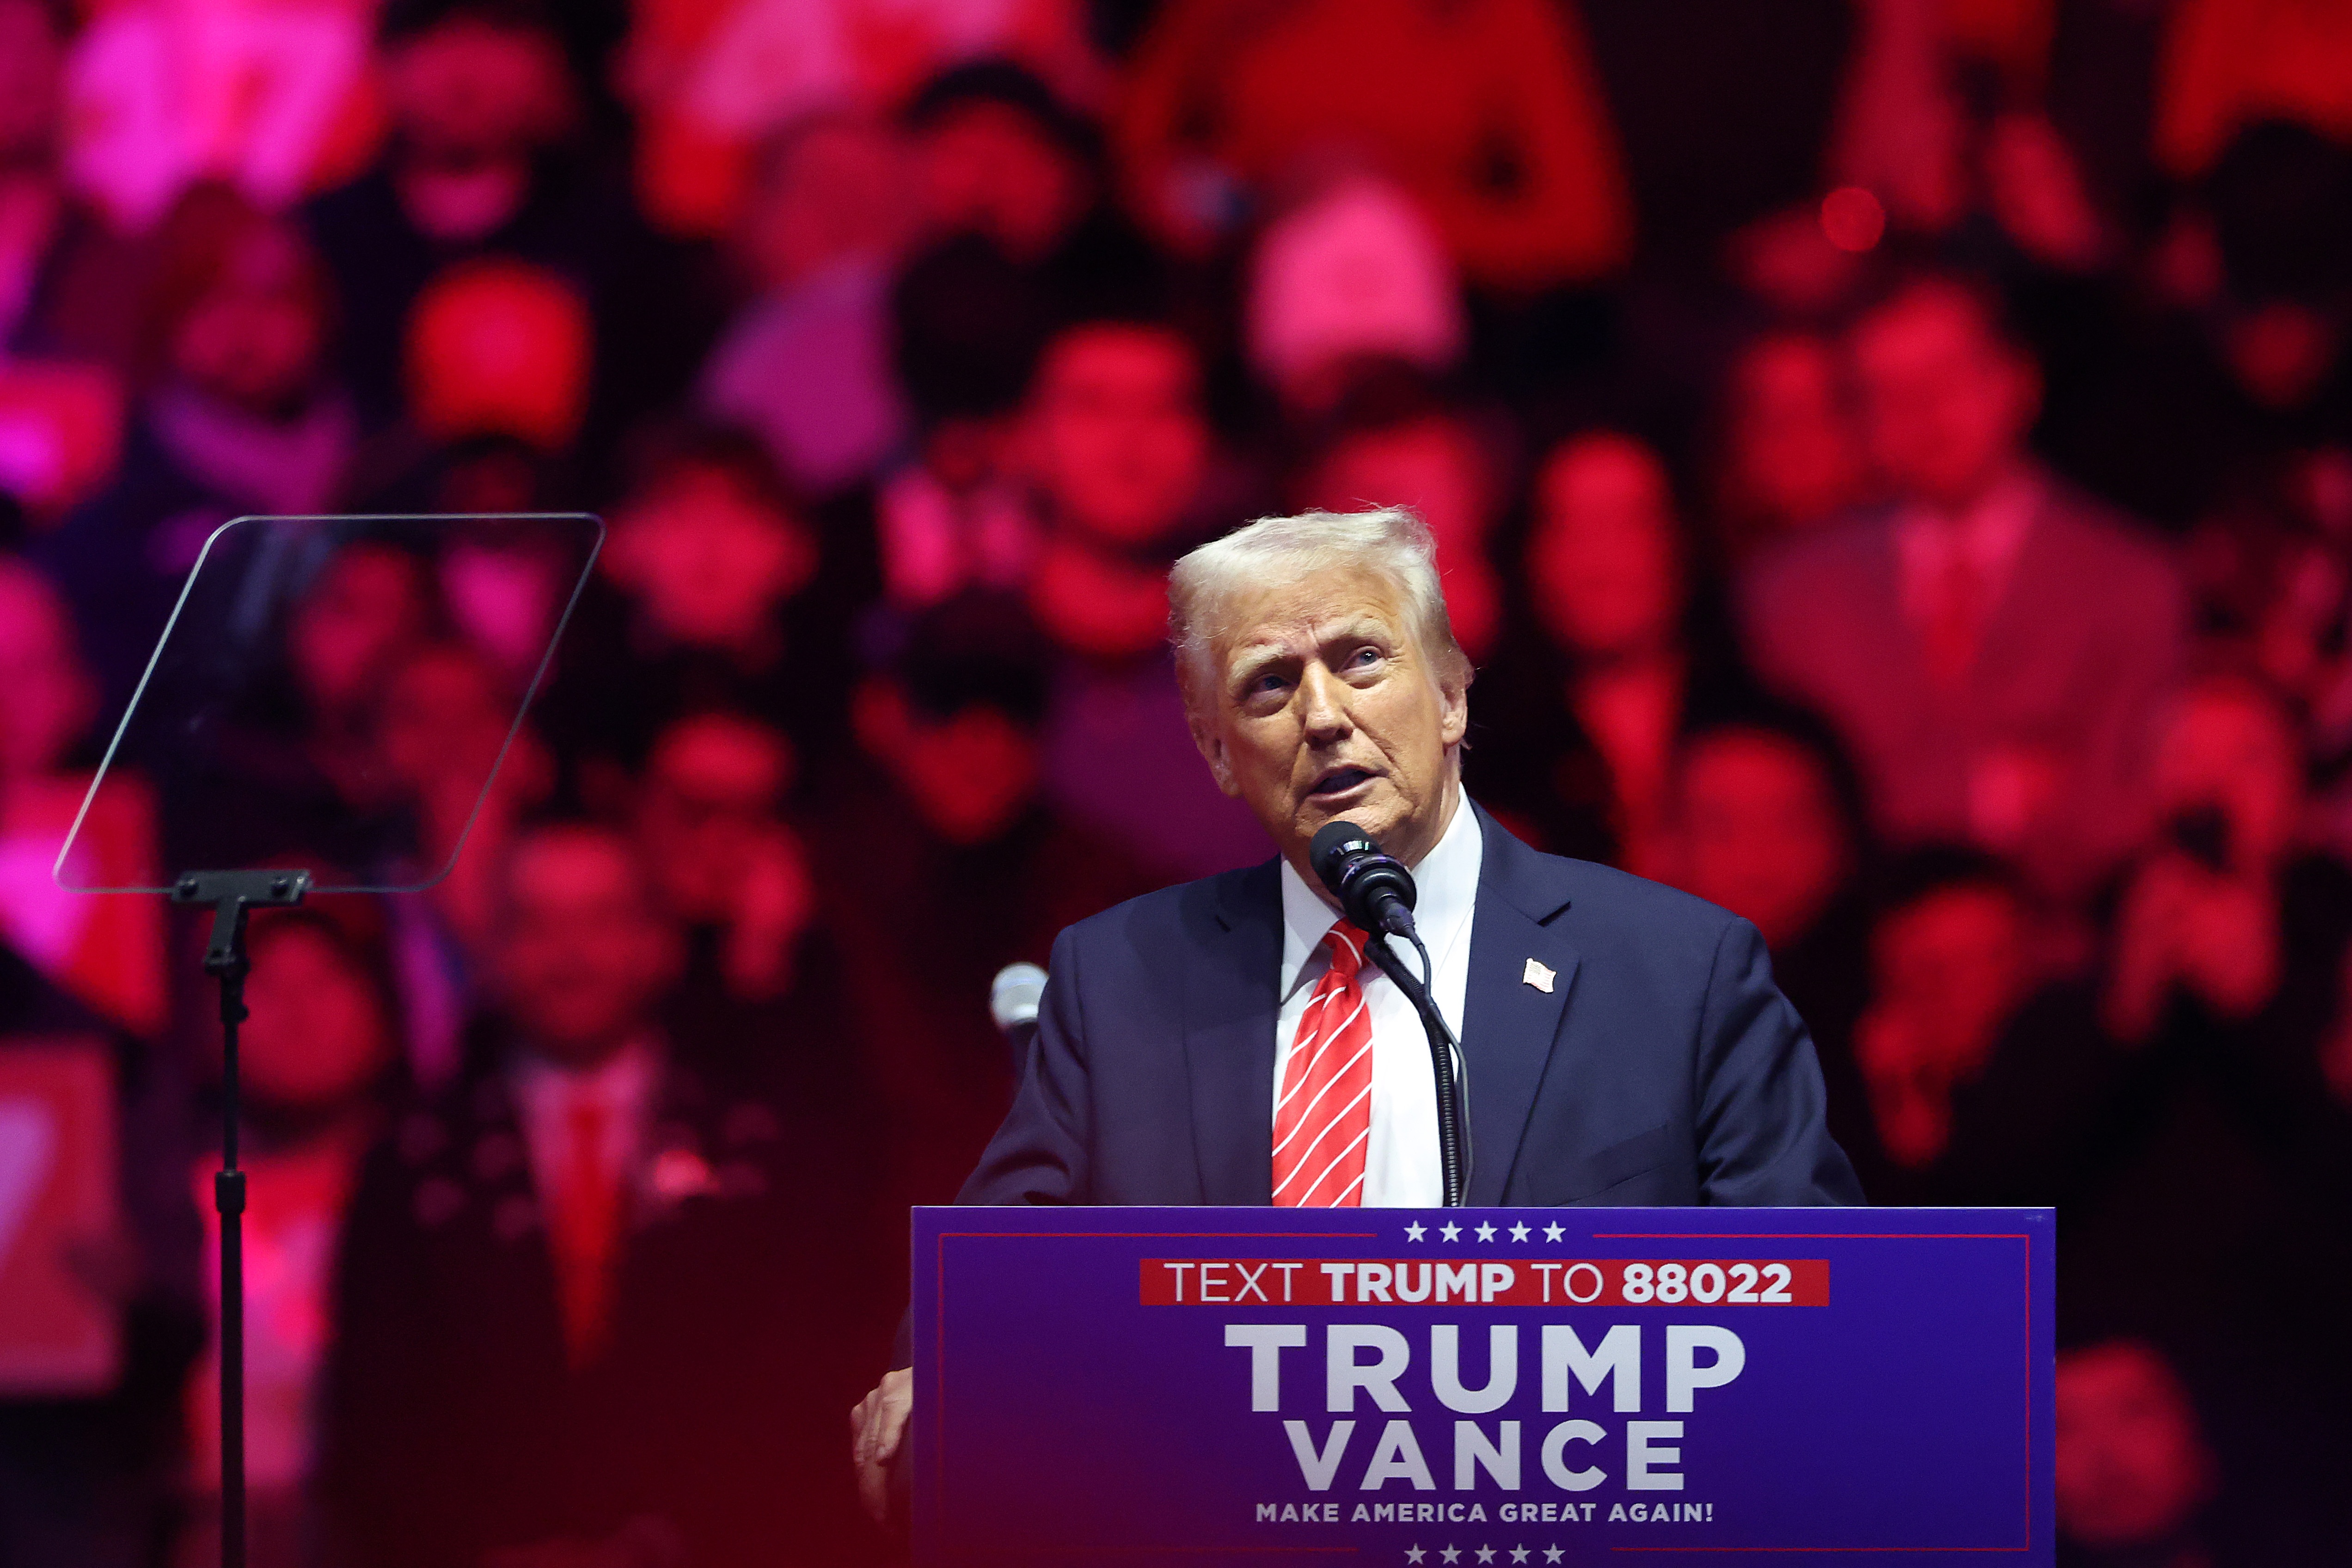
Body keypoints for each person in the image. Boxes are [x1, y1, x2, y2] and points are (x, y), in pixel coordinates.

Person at [849, 504, 1860, 1512]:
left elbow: (1816, 1313)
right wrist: (942, 1378)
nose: (1322, 715)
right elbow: (986, 1283)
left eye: (1363, 660)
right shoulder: (1123, 980)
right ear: (1214, 752)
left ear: (1455, 695)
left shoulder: (1677, 972)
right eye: (1269, 684)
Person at [320, 821, 871, 1568]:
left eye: (600, 922)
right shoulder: (413, 1163)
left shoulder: (764, 1152)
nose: (569, 957)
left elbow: (806, 1393)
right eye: (535, 925)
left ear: (659, 941)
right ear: (489, 948)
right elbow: (374, 1420)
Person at [1740, 271, 2188, 908]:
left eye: (1947, 378)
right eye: (1890, 393)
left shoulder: (2134, 582)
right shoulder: (1792, 595)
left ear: (2017, 381)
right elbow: (1798, 826)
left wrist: (1893, 791)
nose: (1926, 415)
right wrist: (1985, 796)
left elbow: (2120, 815)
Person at [1471, 429, 1760, 875]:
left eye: (1630, 525)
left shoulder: (1762, 722)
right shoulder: (1470, 751)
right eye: (1569, 529)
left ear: (1684, 539)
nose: (1601, 564)